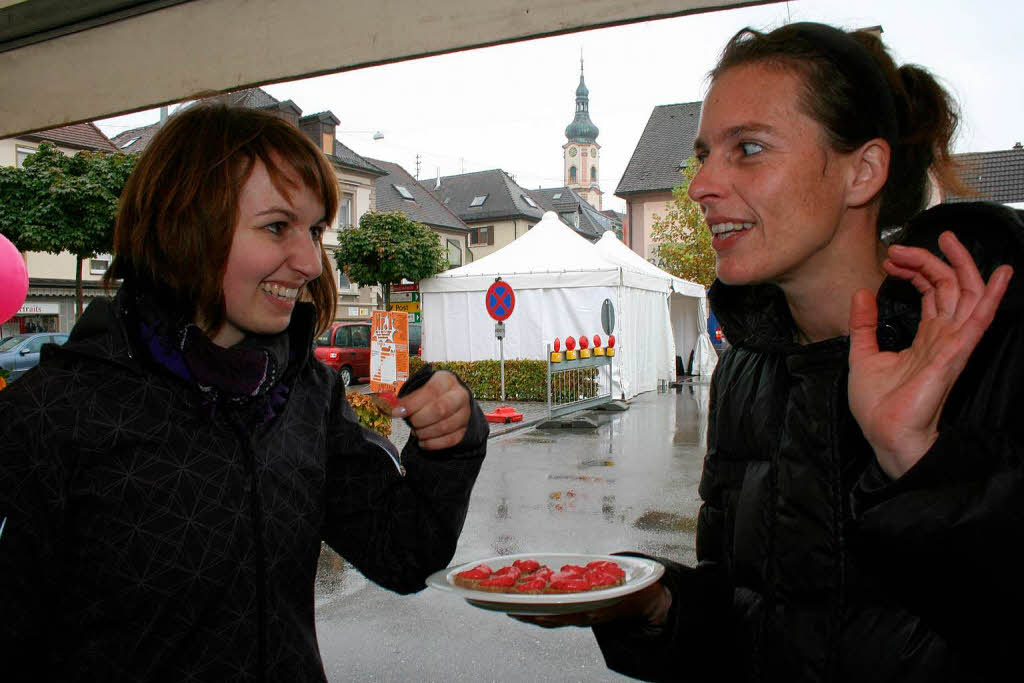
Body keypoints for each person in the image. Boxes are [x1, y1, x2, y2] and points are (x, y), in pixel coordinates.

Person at [520, 22, 1023, 681]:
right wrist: (659, 603)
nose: (701, 185)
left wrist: (919, 463)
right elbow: (745, 613)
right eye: (704, 154)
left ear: (862, 170)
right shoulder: (747, 368)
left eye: (748, 148)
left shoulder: (994, 350)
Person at [0, 103, 489, 681]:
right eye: (277, 227)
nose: (309, 261)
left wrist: (449, 442)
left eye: (313, 231)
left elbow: (405, 554)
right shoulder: (49, 418)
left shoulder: (304, 391)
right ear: (184, 226)